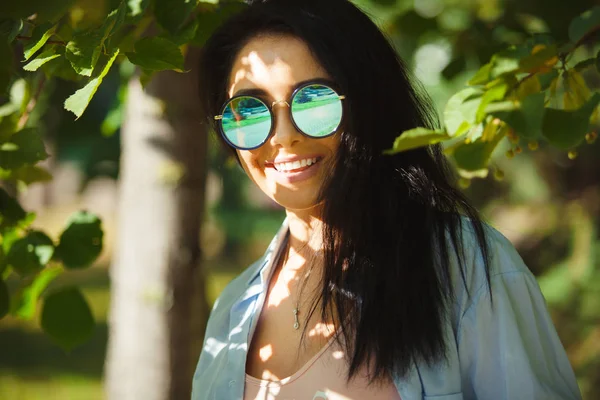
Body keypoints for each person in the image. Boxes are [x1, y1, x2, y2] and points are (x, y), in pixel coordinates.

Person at [191, 0, 581, 399]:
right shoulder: (231, 312)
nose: (283, 136)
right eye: (249, 110)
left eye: (314, 100)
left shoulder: (468, 267)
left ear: (369, 104)